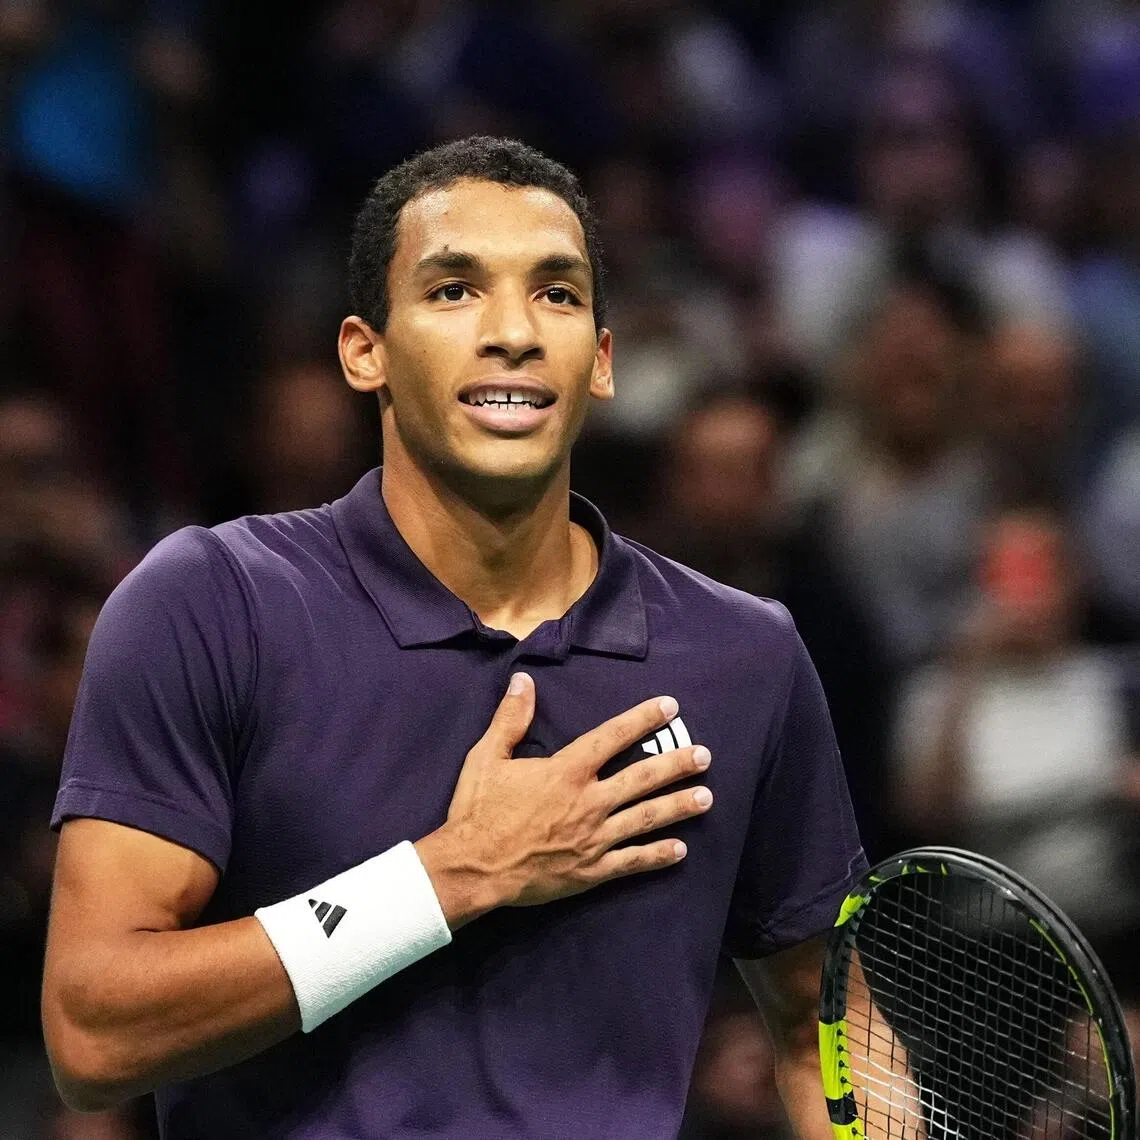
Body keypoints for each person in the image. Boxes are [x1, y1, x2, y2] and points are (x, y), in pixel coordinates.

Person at [41, 137, 866, 1139]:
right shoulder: (212, 604)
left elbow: (823, 1027)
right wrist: (451, 874)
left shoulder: (747, 655)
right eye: (454, 290)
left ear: (601, 361)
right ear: (365, 351)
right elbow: (94, 1031)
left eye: (558, 295)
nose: (514, 332)